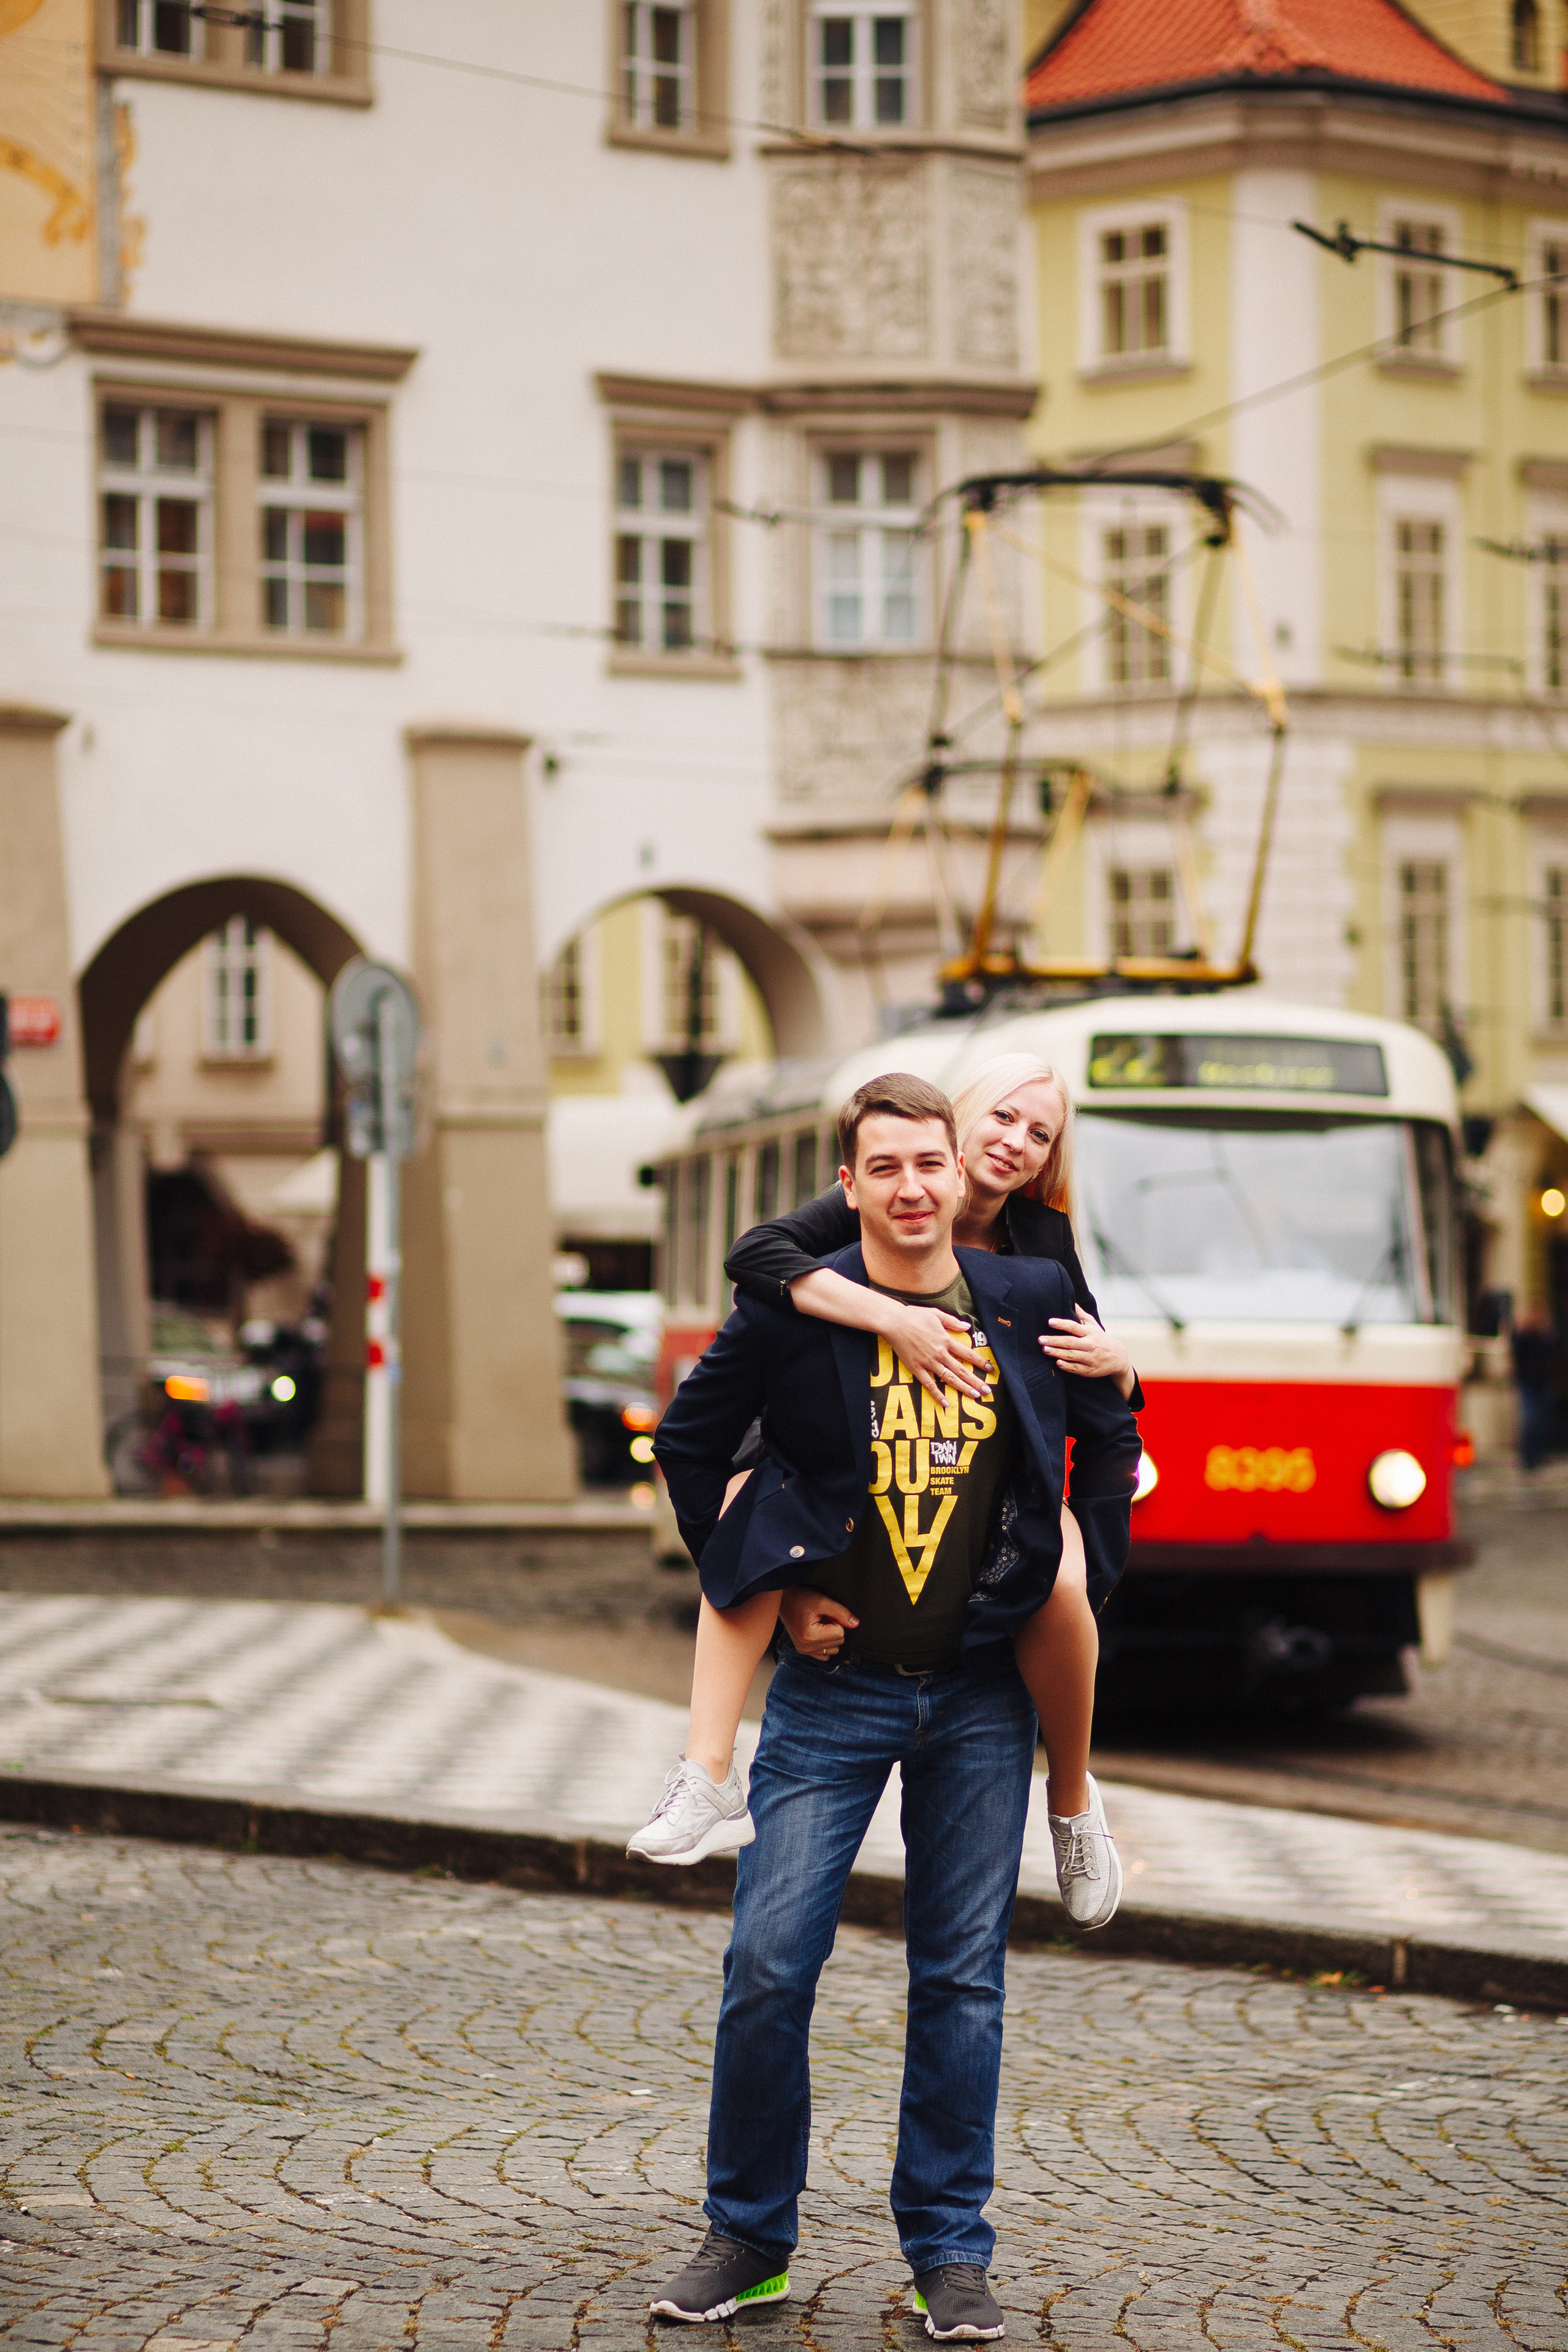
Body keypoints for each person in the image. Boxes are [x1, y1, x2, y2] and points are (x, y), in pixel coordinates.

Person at [647, 1073, 1139, 2335]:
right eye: (888, 1168)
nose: (916, 1186)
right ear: (851, 1185)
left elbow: (1104, 1441)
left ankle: (947, 2253)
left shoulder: (1028, 1292)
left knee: (960, 1981)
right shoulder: (790, 1306)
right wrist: (770, 1579)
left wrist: (1073, 1578)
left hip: (981, 1697)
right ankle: (747, 2238)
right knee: (766, 1966)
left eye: (934, 1163)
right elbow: (686, 1446)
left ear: (965, 1169)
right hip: (830, 1696)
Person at [628, 1054, 1139, 1936]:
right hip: (819, 1436)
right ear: (959, 1118)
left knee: (1057, 1577)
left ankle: (1074, 1801)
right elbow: (755, 1258)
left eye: (1041, 1134)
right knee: (754, 1508)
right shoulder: (878, 1187)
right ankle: (707, 1771)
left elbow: (1096, 1396)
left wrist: (1127, 1378)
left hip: (976, 1506)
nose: (1016, 1143)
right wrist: (890, 1316)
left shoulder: (1040, 1252)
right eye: (1004, 1119)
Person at [1512, 1303, 1558, 1471]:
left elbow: (1555, 1352)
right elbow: (1517, 1350)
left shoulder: (1546, 1335)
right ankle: (1528, 1458)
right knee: (1529, 1420)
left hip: (1543, 1382)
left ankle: (1539, 1455)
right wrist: (1520, 1330)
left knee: (1542, 1421)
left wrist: (1548, 1333)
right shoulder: (1525, 1334)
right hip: (1527, 1382)